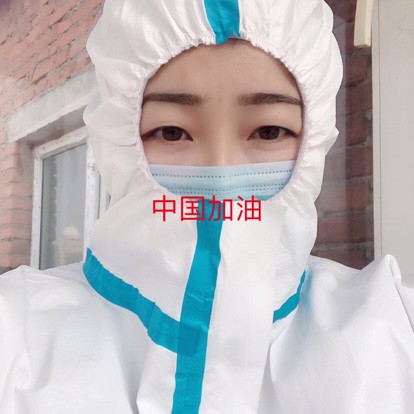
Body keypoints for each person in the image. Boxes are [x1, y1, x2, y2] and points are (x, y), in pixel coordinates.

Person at [1, 0, 414, 413]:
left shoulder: (392, 328)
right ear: (117, 142)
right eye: (171, 131)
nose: (220, 177)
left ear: (314, 139)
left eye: (269, 131)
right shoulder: (18, 336)